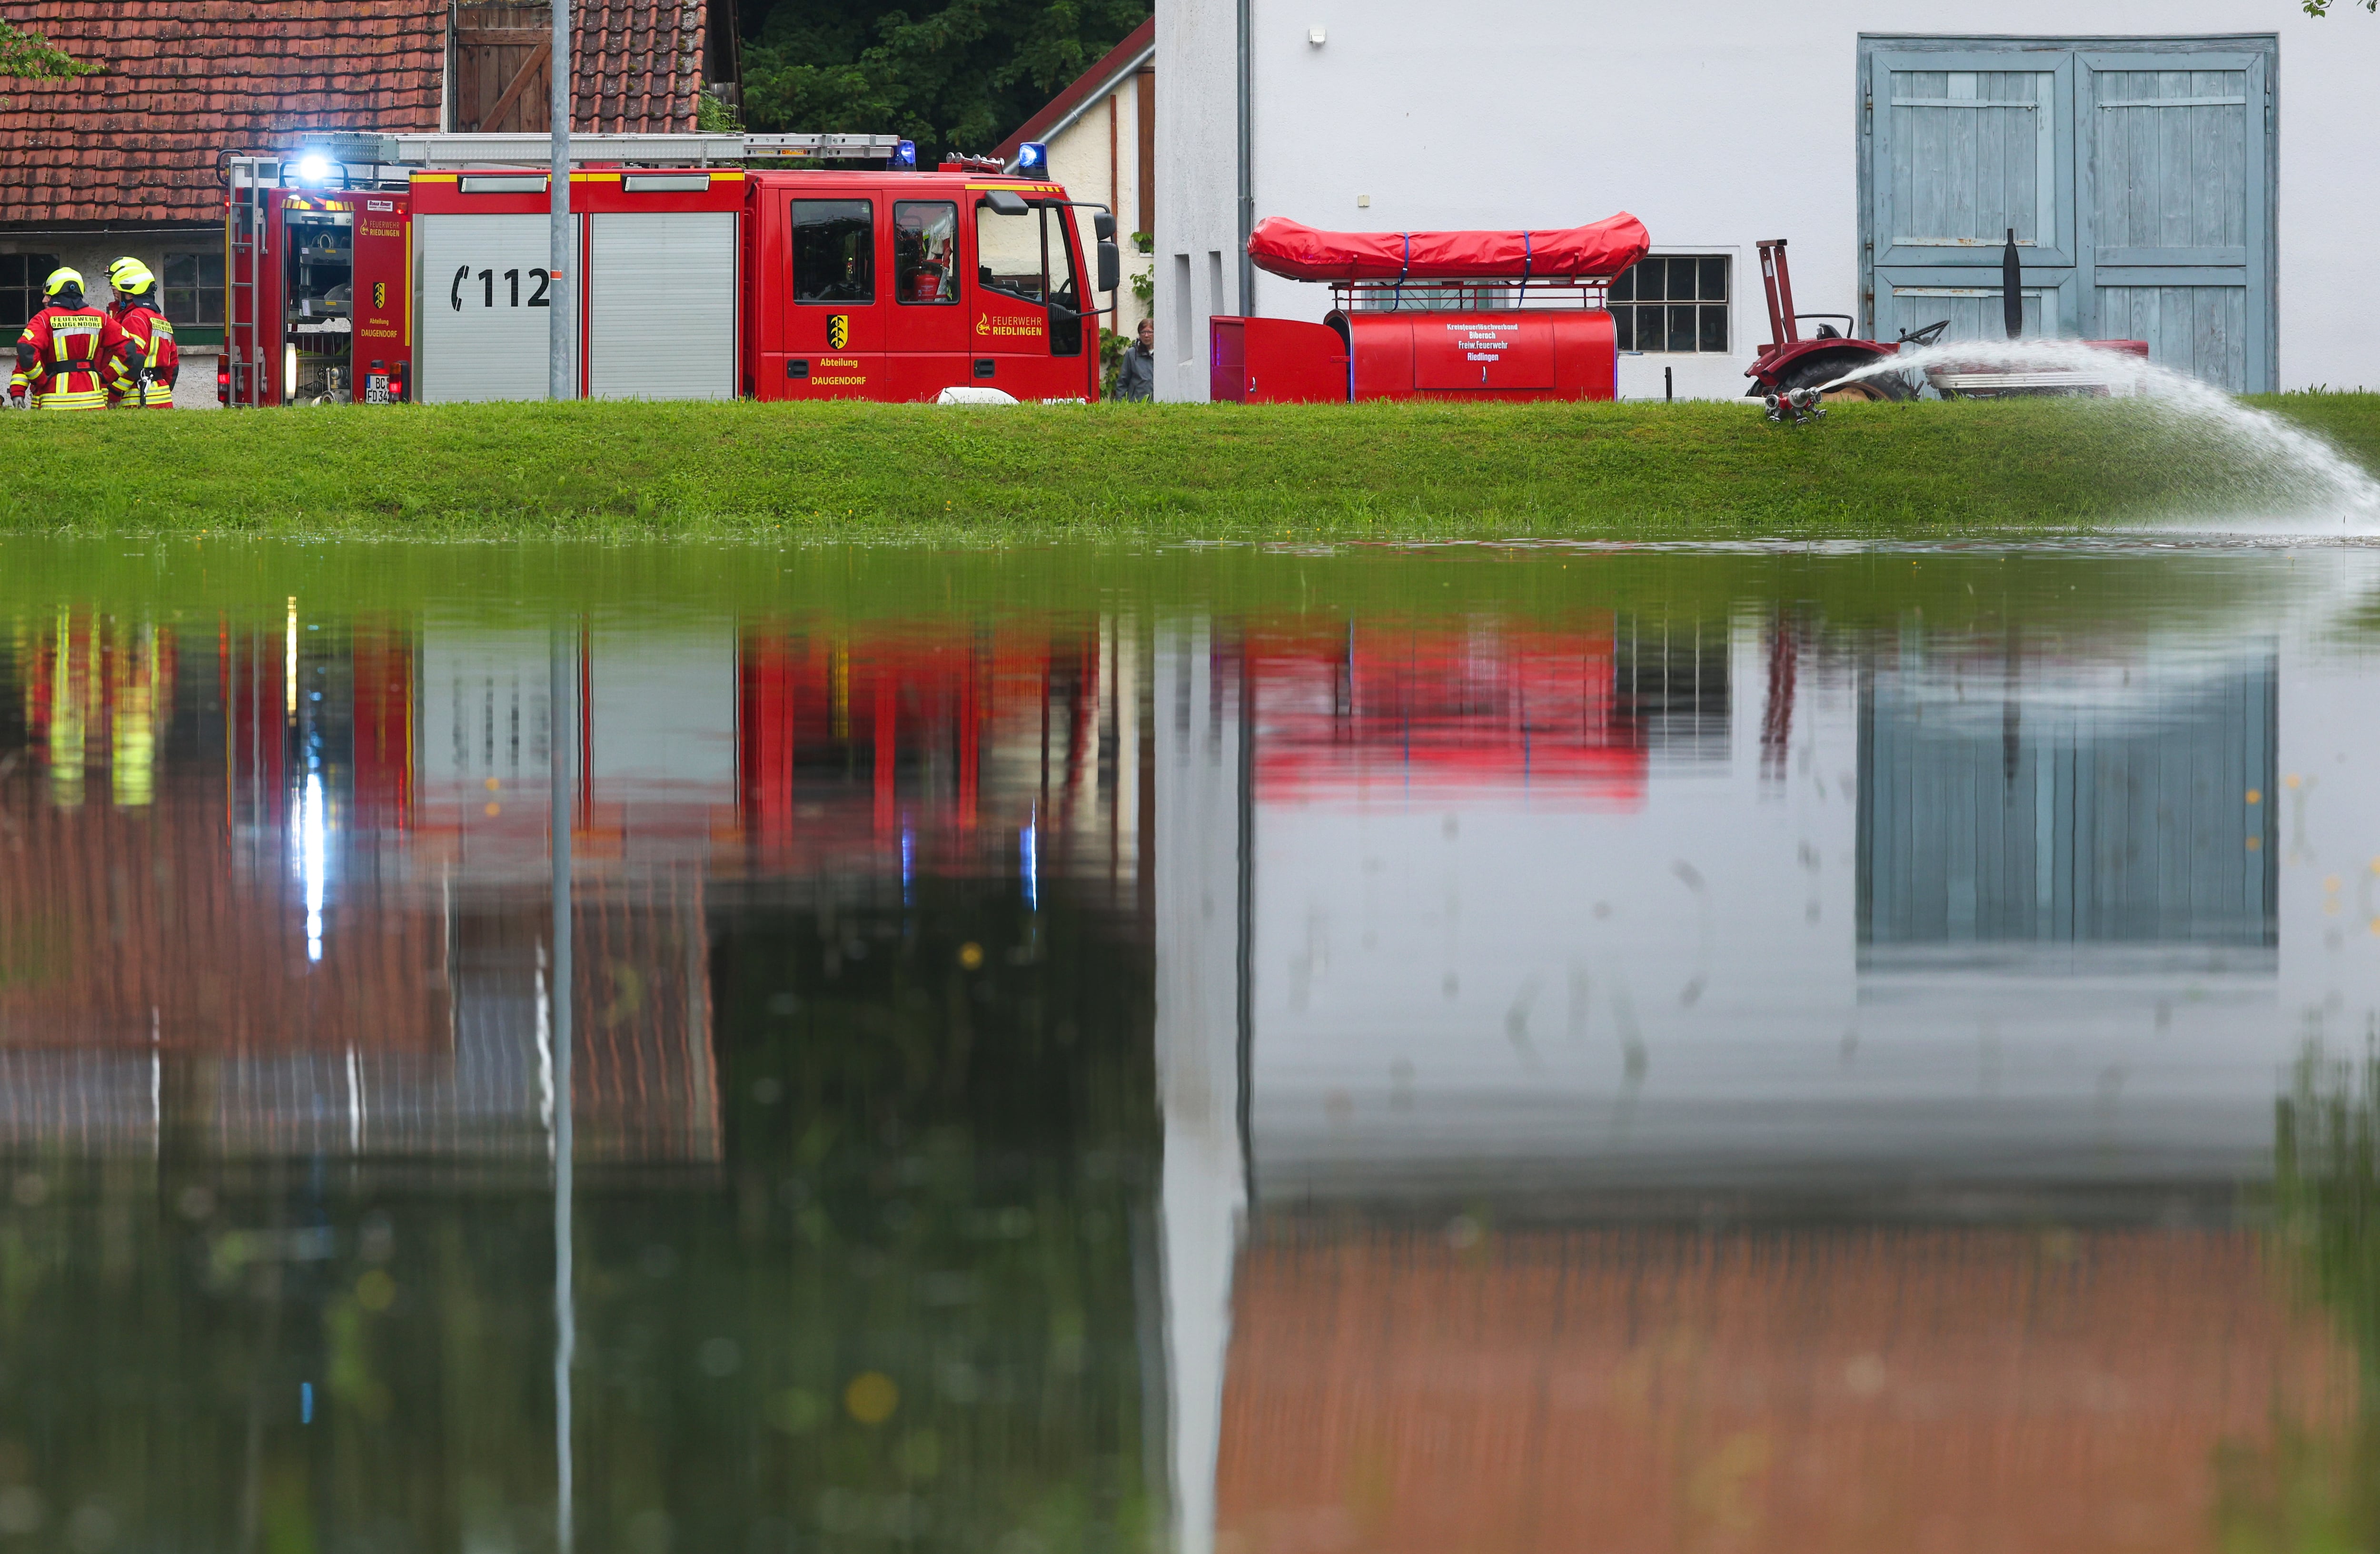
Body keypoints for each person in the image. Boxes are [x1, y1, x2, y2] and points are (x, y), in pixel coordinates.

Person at [10, 267, 129, 411]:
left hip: (54, 402)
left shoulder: (44, 319)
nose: (44, 300)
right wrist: (106, 377)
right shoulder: (101, 318)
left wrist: (40, 380)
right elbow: (129, 351)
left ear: (58, 291)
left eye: (48, 295)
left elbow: (26, 351)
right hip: (94, 402)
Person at [104, 257, 178, 408]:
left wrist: (115, 391)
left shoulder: (134, 317)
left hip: (137, 397)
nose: (114, 289)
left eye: (119, 288)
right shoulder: (160, 319)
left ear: (130, 294)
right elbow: (173, 365)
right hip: (161, 396)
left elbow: (134, 359)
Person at [1115, 315, 1155, 402]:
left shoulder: (1164, 354)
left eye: (1150, 332)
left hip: (1160, 404)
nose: (1146, 336)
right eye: (1143, 332)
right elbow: (1123, 382)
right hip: (1136, 404)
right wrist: (1121, 405)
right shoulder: (1132, 354)